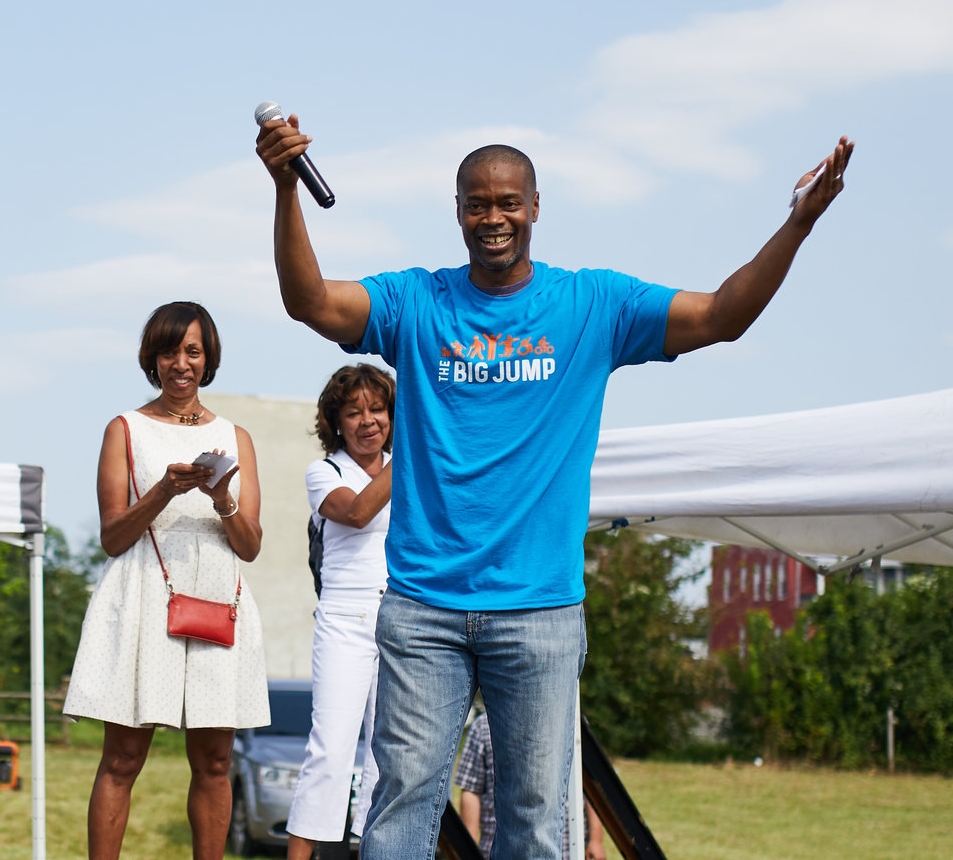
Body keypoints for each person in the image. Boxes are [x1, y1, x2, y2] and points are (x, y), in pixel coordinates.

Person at [256, 114, 853, 860]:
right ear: (458, 211)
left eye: (508, 202)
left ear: (535, 206)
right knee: (400, 806)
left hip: (538, 610)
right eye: (477, 203)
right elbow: (310, 301)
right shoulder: (417, 302)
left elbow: (721, 315)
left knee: (537, 821)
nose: (493, 217)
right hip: (421, 607)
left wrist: (796, 224)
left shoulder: (593, 305)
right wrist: (286, 188)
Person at [64, 301, 270, 860]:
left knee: (215, 762)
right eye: (170, 351)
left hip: (216, 595)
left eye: (193, 351)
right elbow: (112, 537)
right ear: (152, 358)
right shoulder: (124, 428)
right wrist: (164, 490)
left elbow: (250, 545)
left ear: (209, 359)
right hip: (143, 597)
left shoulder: (236, 436)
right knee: (124, 758)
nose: (181, 363)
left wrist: (221, 497)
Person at [285, 363, 394, 860]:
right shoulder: (325, 471)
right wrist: (414, 450)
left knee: (388, 755)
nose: (368, 420)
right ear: (335, 422)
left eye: (378, 409)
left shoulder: (406, 462)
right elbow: (356, 511)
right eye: (354, 412)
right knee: (330, 749)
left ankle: (369, 850)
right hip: (345, 619)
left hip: (402, 618)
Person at [455, 711, 606, 860]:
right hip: (498, 846)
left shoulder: (570, 719)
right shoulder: (482, 726)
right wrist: (471, 841)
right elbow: (471, 788)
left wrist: (596, 840)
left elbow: (591, 787)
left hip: (565, 848)